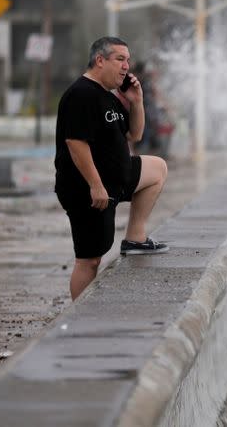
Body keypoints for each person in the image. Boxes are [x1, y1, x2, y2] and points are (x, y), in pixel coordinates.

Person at [54, 37, 169, 300]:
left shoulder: (109, 97)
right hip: (88, 189)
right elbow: (75, 143)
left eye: (128, 60)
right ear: (100, 60)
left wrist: (136, 100)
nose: (126, 66)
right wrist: (96, 185)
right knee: (90, 259)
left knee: (157, 169)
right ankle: (78, 317)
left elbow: (135, 134)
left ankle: (135, 238)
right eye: (120, 59)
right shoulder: (80, 94)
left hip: (115, 180)